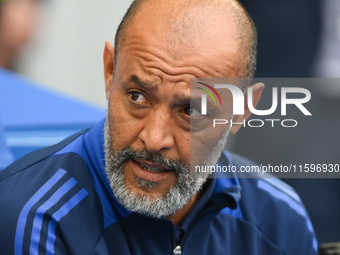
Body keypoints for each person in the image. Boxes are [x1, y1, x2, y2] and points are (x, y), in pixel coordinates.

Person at [0, 0, 317, 254]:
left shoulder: (279, 217)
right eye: (137, 97)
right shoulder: (34, 218)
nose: (153, 139)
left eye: (191, 111)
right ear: (110, 71)